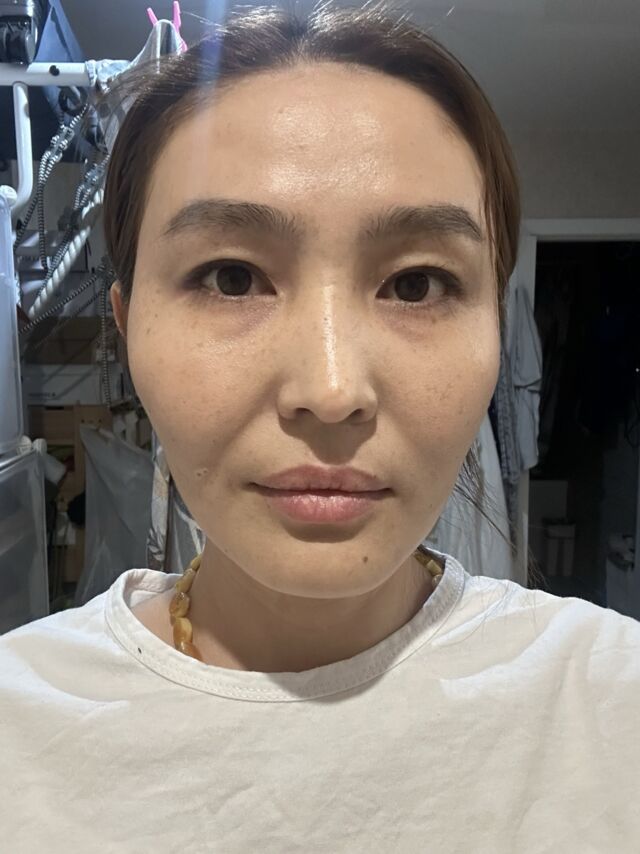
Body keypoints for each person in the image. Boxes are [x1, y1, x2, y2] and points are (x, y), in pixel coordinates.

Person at [1, 5, 638, 851]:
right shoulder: (20, 731)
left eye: (416, 285)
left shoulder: (610, 704)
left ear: (495, 331)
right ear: (128, 333)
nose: (332, 392)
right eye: (231, 278)